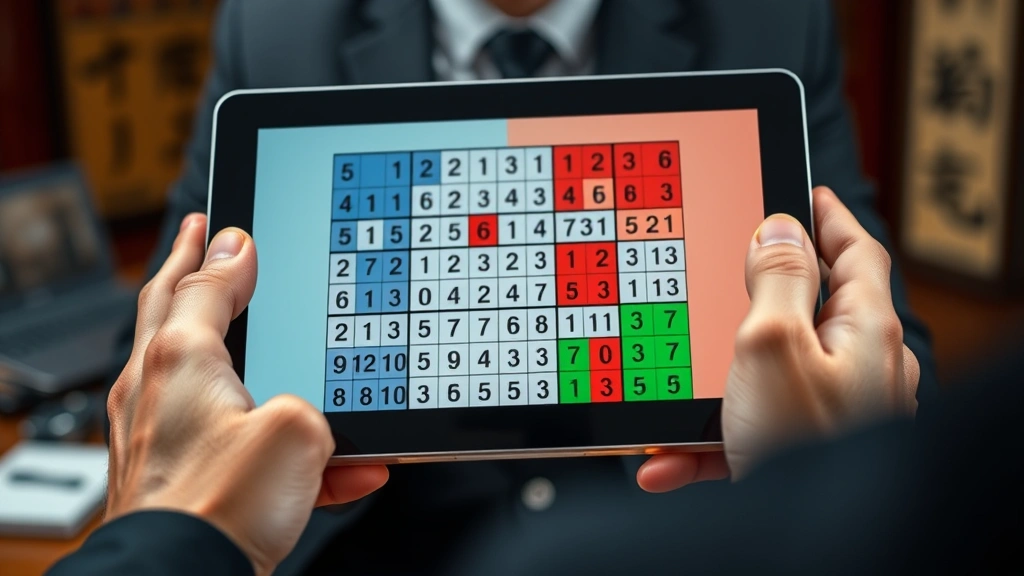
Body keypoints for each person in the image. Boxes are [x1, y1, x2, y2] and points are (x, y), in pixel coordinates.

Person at [108, 0, 938, 572]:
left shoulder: (770, 18)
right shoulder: (274, 24)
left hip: (669, 543)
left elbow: (887, 348)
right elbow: (165, 354)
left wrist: (823, 475)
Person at [50, 188, 1018, 576]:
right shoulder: (274, 22)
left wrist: (171, 531)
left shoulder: (772, 14)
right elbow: (197, 332)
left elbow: (876, 307)